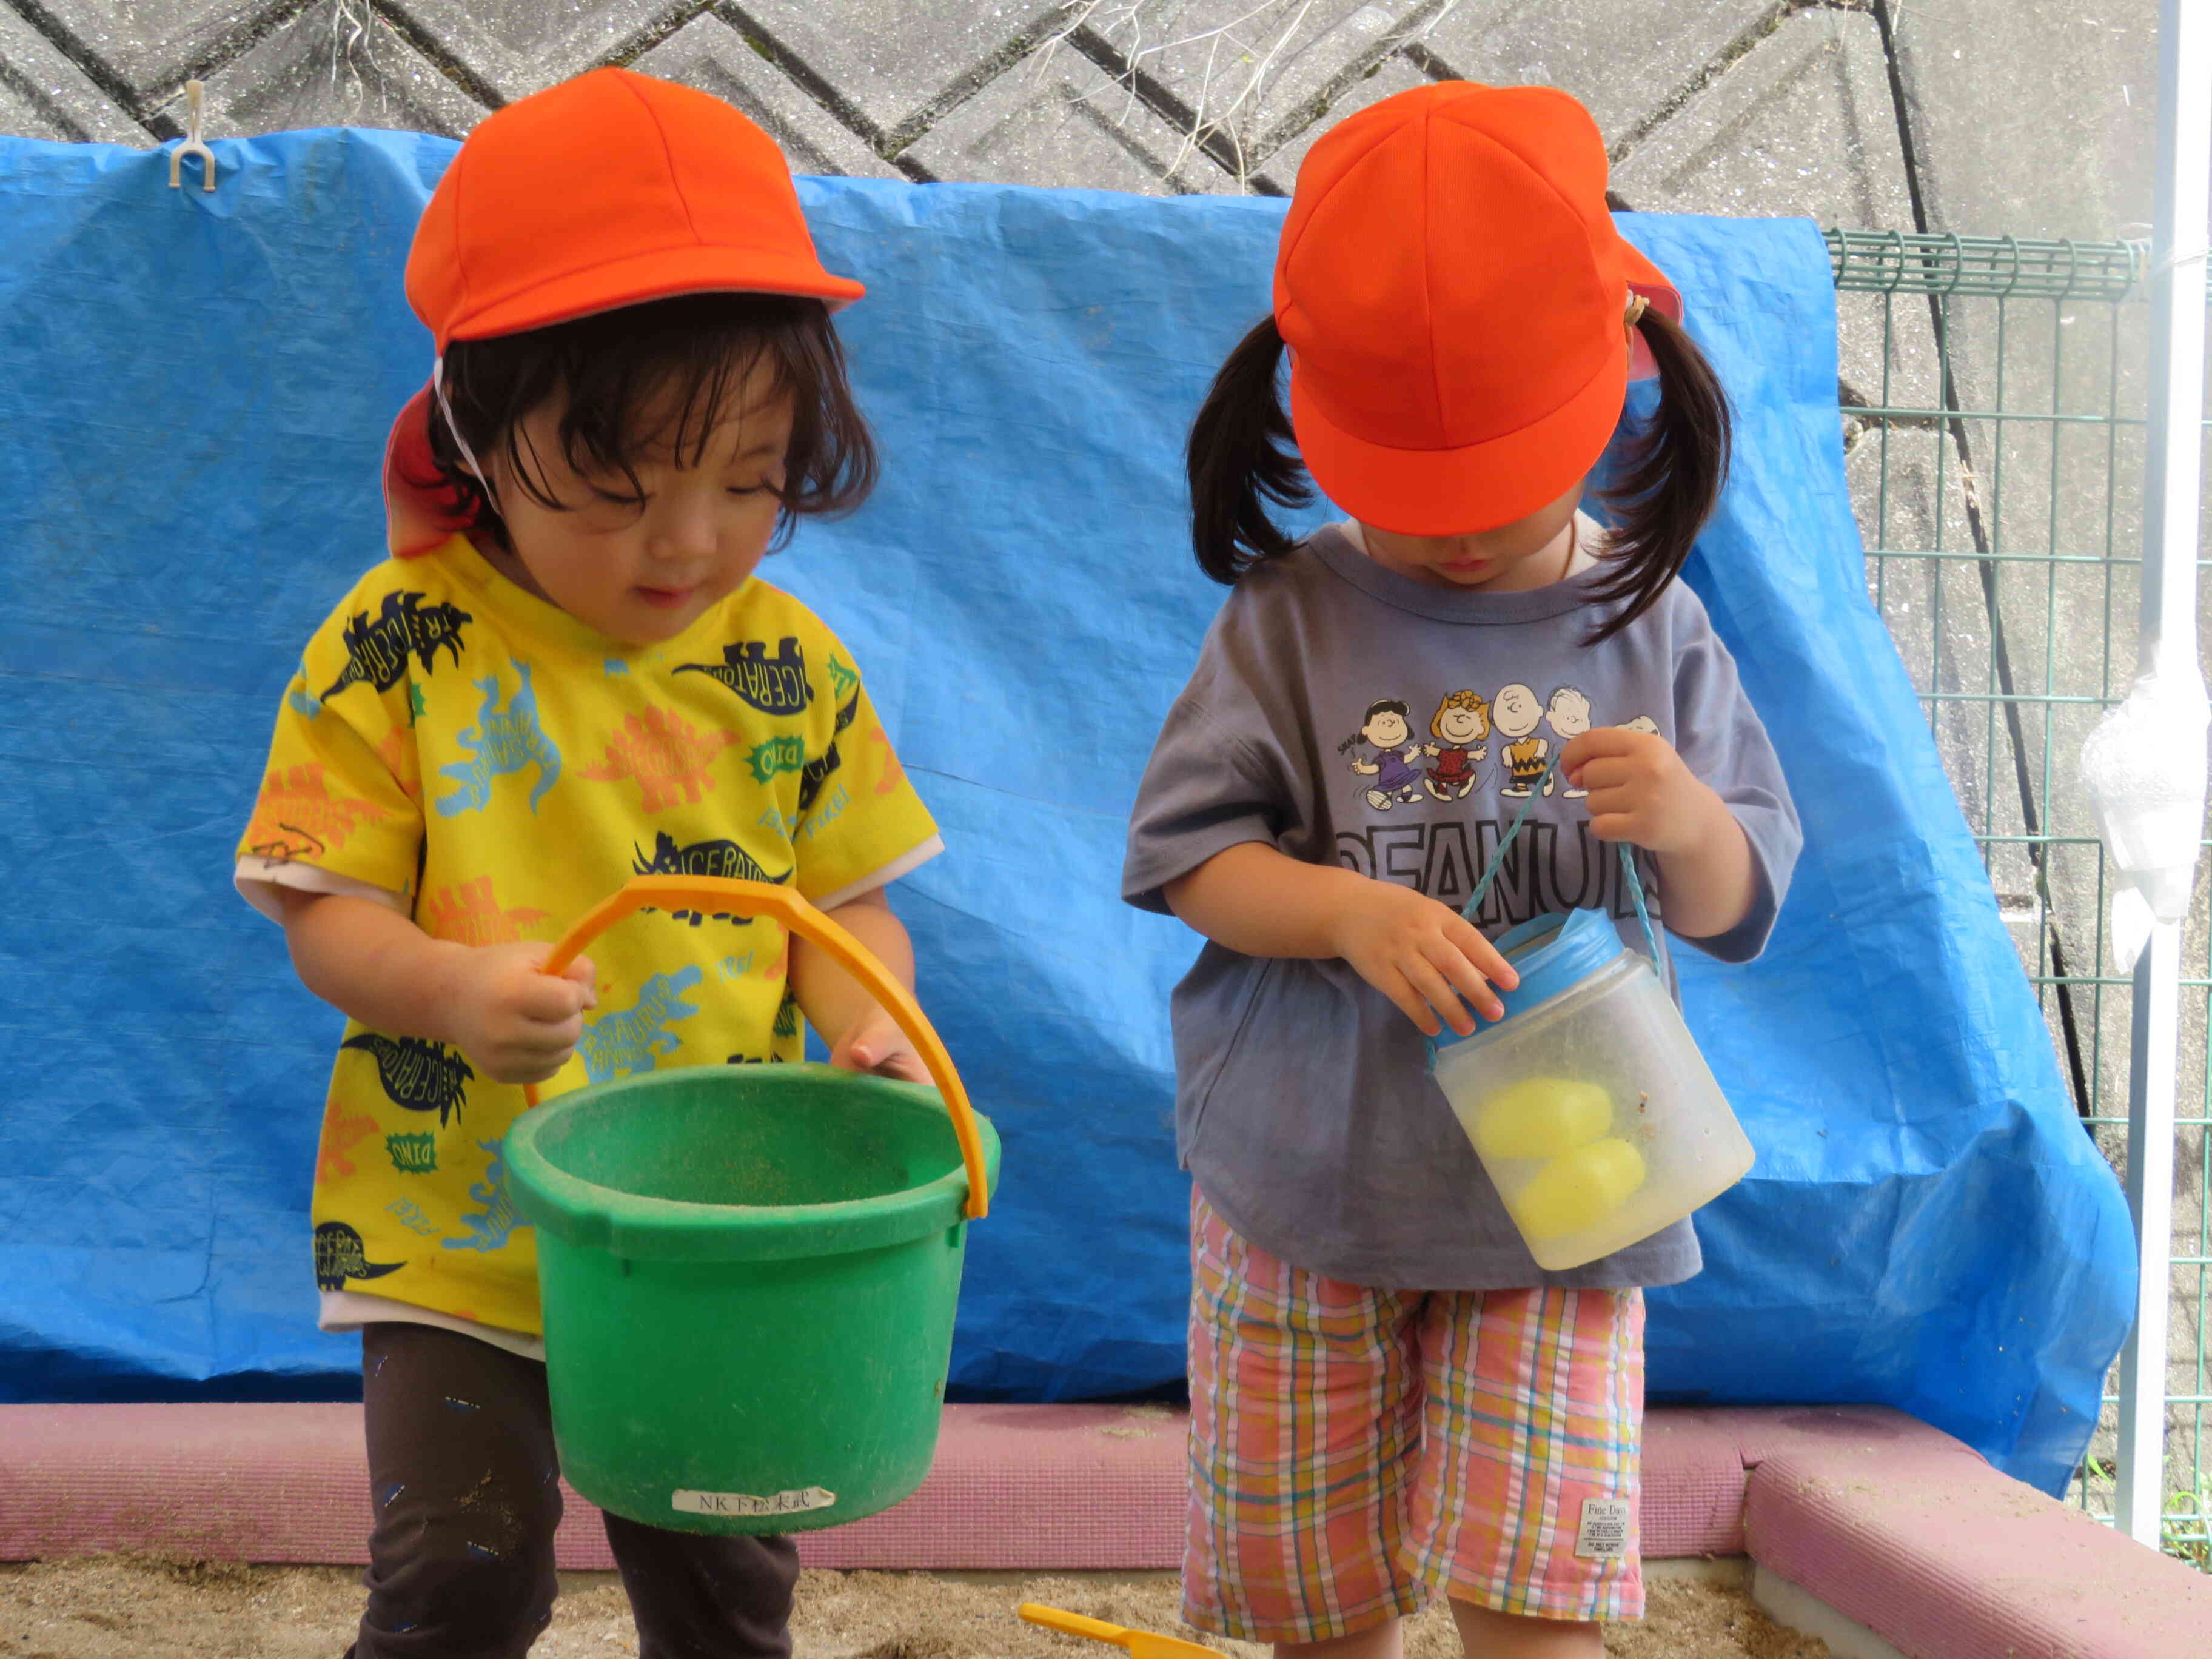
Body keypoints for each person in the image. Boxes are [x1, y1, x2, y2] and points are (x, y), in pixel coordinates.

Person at [233, 69, 942, 1659]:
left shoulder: (790, 664)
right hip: (460, 1230)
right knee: (462, 1571)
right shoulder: (399, 646)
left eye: (750, 480)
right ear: (482, 424)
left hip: (713, 1231)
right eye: (621, 485)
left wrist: (871, 1017)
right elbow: (321, 913)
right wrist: (446, 985)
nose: (688, 541)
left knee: (722, 1579)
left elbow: (844, 906)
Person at [1123, 84, 1801, 1659]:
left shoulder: (1654, 623)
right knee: (1319, 1608)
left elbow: (1739, 899)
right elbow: (1189, 860)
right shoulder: (1291, 618)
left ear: (1619, 373)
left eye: (1502, 482)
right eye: (1415, 495)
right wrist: (1347, 912)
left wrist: (1689, 821)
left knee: (1540, 1602)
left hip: (1569, 1208)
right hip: (1311, 1182)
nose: (1460, 538)